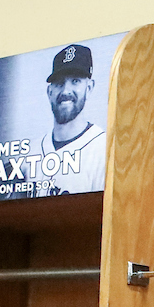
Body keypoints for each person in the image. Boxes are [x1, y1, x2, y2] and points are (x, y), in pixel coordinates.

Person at [35, 44, 106, 195]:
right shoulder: (30, 155)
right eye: (60, 82)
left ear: (89, 87)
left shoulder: (104, 150)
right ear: (49, 91)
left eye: (75, 81)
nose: (66, 91)